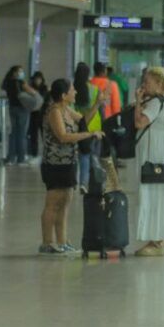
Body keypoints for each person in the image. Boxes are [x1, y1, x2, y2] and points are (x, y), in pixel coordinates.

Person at [39, 79, 102, 254]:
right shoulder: (54, 111)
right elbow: (63, 136)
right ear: (63, 95)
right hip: (54, 164)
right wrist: (89, 134)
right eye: (72, 90)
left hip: (68, 162)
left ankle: (62, 241)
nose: (75, 92)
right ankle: (47, 243)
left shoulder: (66, 109)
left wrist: (97, 104)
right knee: (53, 203)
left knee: (65, 202)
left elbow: (83, 121)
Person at [133, 67, 164, 257]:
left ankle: (157, 241)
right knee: (162, 193)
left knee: (151, 191)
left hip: (153, 153)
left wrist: (138, 101)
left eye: (147, 82)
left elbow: (139, 122)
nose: (144, 85)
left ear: (159, 83)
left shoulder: (156, 102)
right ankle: (161, 238)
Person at [72, 63, 103, 194]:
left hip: (80, 127)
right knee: (94, 156)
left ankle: (83, 183)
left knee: (83, 156)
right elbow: (101, 109)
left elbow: (72, 110)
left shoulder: (72, 90)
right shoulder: (95, 89)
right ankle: (97, 182)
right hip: (95, 126)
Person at [2, 64, 35, 165]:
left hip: (12, 108)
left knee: (13, 133)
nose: (22, 73)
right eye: (20, 71)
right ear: (15, 73)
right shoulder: (20, 83)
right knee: (22, 134)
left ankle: (11, 157)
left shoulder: (7, 83)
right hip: (22, 109)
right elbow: (32, 93)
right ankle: (21, 158)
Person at [27, 72, 48, 157]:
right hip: (33, 114)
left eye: (39, 79)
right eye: (36, 79)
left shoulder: (44, 88)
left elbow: (45, 100)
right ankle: (34, 153)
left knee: (44, 135)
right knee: (33, 135)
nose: (37, 81)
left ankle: (46, 152)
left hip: (43, 114)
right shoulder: (31, 88)